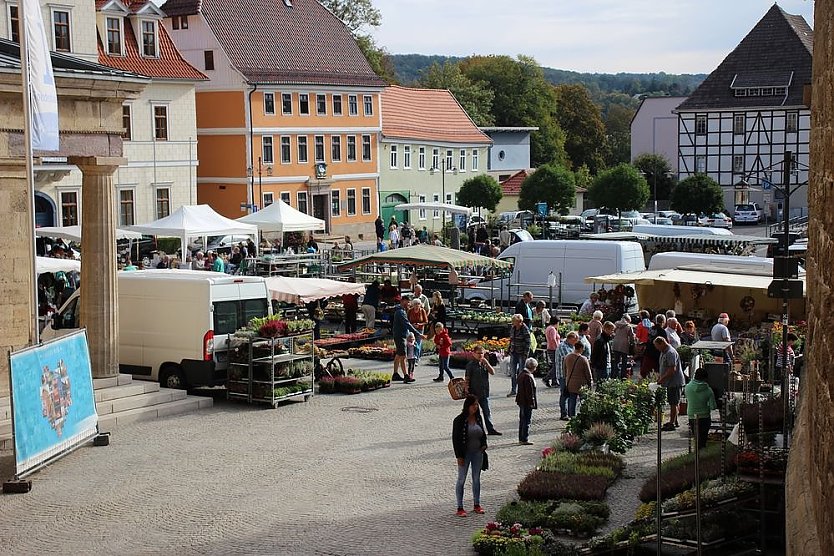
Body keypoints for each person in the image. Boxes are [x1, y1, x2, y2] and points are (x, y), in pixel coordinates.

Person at [452, 395, 489, 517]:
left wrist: (484, 445)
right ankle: (460, 507)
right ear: (467, 406)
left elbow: (483, 433)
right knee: (461, 479)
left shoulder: (478, 418)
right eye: (473, 405)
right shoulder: (459, 420)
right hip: (465, 454)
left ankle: (477, 504)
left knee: (476, 479)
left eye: (477, 405)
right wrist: (459, 457)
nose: (476, 407)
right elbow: (456, 440)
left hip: (477, 453)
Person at [464, 346, 501, 435]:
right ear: (474, 354)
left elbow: (492, 372)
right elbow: (467, 378)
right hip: (474, 393)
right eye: (478, 353)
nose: (480, 355)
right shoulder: (470, 365)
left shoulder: (484, 363)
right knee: (474, 413)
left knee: (487, 412)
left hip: (484, 393)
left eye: (482, 353)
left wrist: (487, 363)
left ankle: (490, 429)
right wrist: (466, 389)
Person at [655, 336, 686, 431]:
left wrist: (662, 379)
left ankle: (672, 423)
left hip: (674, 382)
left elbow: (672, 370)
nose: (657, 348)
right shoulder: (664, 352)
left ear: (662, 343)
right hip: (670, 382)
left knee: (673, 403)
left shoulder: (670, 353)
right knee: (674, 402)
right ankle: (675, 421)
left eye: (657, 346)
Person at [392, 296, 424, 383]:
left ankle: (395, 374)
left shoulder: (400, 310)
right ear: (403, 301)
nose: (409, 304)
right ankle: (406, 376)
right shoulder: (400, 312)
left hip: (398, 335)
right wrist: (418, 333)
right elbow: (407, 324)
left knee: (398, 355)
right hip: (400, 336)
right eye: (408, 302)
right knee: (403, 356)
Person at [685, 367, 717, 449]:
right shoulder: (709, 390)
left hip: (692, 415)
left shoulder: (687, 387)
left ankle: (696, 457)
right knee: (703, 441)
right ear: (705, 378)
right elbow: (713, 407)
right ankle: (702, 456)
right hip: (704, 417)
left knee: (696, 438)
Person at [563, 340, 593, 417]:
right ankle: (583, 416)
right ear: (581, 348)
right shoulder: (583, 359)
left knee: (572, 401)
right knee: (583, 401)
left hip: (570, 384)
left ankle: (571, 417)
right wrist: (590, 383)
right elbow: (588, 373)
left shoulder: (567, 357)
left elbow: (564, 371)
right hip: (582, 384)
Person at [554, 332, 578, 420]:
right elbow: (570, 358)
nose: (576, 342)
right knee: (564, 394)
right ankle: (563, 414)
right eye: (575, 340)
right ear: (570, 338)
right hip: (563, 375)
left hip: (569, 375)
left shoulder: (570, 346)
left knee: (569, 394)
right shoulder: (563, 347)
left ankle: (568, 413)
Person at [507, 314, 531, 397]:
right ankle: (513, 390)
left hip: (521, 353)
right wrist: (508, 349)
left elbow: (528, 342)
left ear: (520, 322)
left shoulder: (525, 329)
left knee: (521, 373)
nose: (513, 323)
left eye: (514, 322)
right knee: (513, 372)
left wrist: (525, 354)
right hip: (513, 352)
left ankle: (521, 390)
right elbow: (511, 340)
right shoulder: (513, 328)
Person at [516, 358, 538, 445]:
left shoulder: (521, 374)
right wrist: (532, 403)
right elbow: (530, 392)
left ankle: (521, 438)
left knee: (522, 420)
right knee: (526, 420)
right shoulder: (527, 376)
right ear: (532, 367)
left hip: (521, 401)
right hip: (526, 402)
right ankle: (524, 438)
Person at [612, 314, 635, 380]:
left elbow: (613, 333)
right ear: (628, 320)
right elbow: (631, 337)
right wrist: (632, 344)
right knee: (624, 361)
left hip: (616, 344)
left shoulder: (616, 324)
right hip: (624, 345)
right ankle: (623, 376)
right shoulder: (628, 327)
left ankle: (615, 376)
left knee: (616, 361)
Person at [543, 316, 561, 387]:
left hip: (550, 348)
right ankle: (546, 378)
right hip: (553, 349)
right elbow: (553, 339)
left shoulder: (548, 328)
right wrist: (557, 347)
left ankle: (554, 381)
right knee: (556, 366)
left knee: (554, 365)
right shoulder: (553, 329)